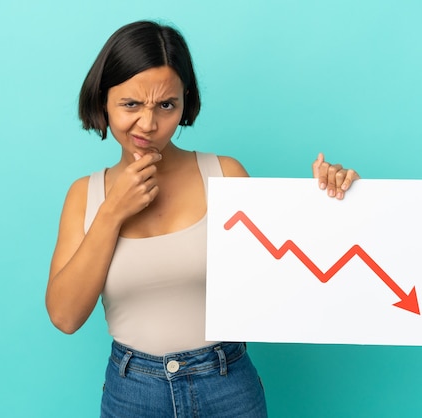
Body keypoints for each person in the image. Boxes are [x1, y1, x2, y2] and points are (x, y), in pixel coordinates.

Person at [45, 20, 359, 418]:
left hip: (227, 384)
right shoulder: (84, 195)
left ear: (185, 102)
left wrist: (336, 200)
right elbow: (65, 316)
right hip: (132, 391)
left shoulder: (224, 175)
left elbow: (296, 272)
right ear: (103, 99)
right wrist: (112, 212)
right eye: (130, 104)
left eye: (166, 105)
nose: (148, 124)